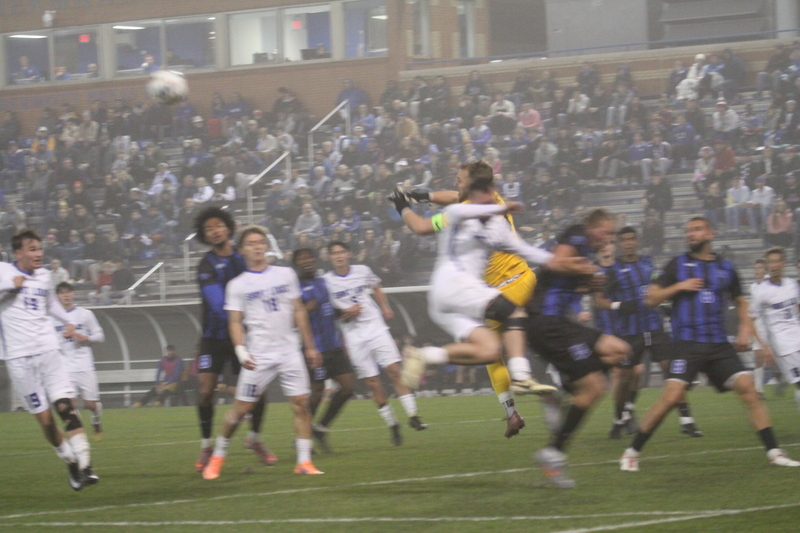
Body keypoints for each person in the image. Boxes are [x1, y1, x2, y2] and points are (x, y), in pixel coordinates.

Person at [621, 217, 799, 471]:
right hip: (686, 344)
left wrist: (745, 329)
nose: (691, 234)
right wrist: (680, 286)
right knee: (671, 397)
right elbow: (651, 298)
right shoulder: (678, 264)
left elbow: (741, 301)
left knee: (748, 388)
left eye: (696, 229)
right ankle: (631, 452)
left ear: (711, 233)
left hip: (718, 345)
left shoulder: (726, 268)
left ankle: (774, 451)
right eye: (688, 230)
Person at [394, 161, 551, 438]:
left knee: (498, 349)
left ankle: (518, 394)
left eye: (459, 179)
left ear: (474, 187)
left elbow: (432, 218)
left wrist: (411, 202)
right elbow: (451, 198)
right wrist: (425, 195)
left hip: (505, 287)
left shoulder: (472, 208)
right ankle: (526, 390)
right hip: (519, 281)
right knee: (492, 349)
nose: (455, 184)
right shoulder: (481, 201)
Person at [202, 226, 323, 479]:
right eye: (251, 243)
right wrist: (241, 351)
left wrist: (310, 346)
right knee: (241, 409)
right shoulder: (237, 285)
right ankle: (218, 455)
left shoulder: (286, 274)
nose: (257, 247)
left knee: (301, 404)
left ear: (267, 246)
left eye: (261, 242)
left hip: (289, 351)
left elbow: (299, 310)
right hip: (259, 355)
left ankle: (304, 462)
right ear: (242, 249)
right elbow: (234, 321)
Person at [524, 209, 632, 488]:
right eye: (606, 233)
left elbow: (566, 281)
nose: (609, 240)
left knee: (618, 350)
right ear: (591, 227)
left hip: (558, 323)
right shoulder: (576, 235)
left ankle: (562, 393)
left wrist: (588, 283)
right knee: (595, 388)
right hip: (545, 322)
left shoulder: (587, 251)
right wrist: (584, 269)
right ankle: (555, 451)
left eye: (612, 235)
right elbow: (556, 262)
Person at [0, 229, 95, 490]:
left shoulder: (43, 276)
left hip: (48, 351)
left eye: (39, 248)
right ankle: (70, 461)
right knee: (45, 421)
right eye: (32, 249)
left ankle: (86, 466)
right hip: (19, 358)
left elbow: (51, 304)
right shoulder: (4, 272)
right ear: (18, 253)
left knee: (65, 405)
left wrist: (70, 323)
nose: (38, 254)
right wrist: (10, 286)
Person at [596, 227, 701, 440]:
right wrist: (618, 306)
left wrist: (665, 304)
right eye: (623, 240)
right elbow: (598, 301)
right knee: (625, 376)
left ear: (637, 241)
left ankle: (686, 421)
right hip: (630, 332)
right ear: (619, 243)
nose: (628, 243)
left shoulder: (648, 263)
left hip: (654, 327)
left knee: (671, 371)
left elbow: (657, 289)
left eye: (631, 239)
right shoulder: (612, 270)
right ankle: (618, 420)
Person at [192, 207, 274, 473]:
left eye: (218, 225)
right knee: (205, 391)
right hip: (214, 337)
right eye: (208, 229)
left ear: (228, 228)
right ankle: (206, 445)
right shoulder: (206, 265)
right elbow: (218, 304)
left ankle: (254, 439)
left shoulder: (243, 257)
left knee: (257, 395)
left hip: (246, 336)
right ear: (205, 236)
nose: (215, 231)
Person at [323, 241, 426, 446]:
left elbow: (377, 287)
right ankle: (392, 425)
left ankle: (413, 415)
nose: (338, 256)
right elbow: (327, 311)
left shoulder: (362, 270)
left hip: (376, 328)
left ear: (348, 254)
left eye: (341, 252)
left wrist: (385, 307)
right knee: (372, 382)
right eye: (334, 253)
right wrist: (346, 313)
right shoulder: (325, 282)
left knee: (394, 371)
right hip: (353, 335)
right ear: (329, 257)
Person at [293, 248, 357, 453]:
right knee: (316, 393)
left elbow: (328, 309)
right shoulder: (294, 288)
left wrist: (344, 313)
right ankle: (304, 436)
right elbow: (290, 318)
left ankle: (320, 428)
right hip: (315, 348)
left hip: (334, 345)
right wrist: (305, 310)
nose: (308, 261)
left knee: (347, 388)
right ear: (296, 264)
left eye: (310, 257)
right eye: (303, 259)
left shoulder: (322, 282)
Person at [52, 282, 105, 441]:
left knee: (91, 405)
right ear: (57, 296)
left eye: (68, 292)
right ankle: (79, 435)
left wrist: (86, 338)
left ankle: (96, 420)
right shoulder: (51, 318)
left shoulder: (85, 314)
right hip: (64, 367)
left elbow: (100, 336)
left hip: (84, 364)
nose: (66, 295)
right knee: (70, 405)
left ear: (73, 294)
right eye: (62, 293)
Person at [750, 247, 800, 409]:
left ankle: (782, 379)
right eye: (771, 262)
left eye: (777, 261)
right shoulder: (761, 291)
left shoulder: (792, 285)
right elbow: (751, 320)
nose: (774, 265)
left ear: (783, 263)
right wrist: (765, 347)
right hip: (784, 346)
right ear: (767, 266)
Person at [750, 259, 769, 399]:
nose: (757, 271)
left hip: (773, 325)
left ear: (765, 269)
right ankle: (759, 390)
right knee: (758, 357)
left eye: (760, 268)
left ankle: (783, 379)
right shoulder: (753, 287)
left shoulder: (770, 283)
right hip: (759, 325)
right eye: (755, 268)